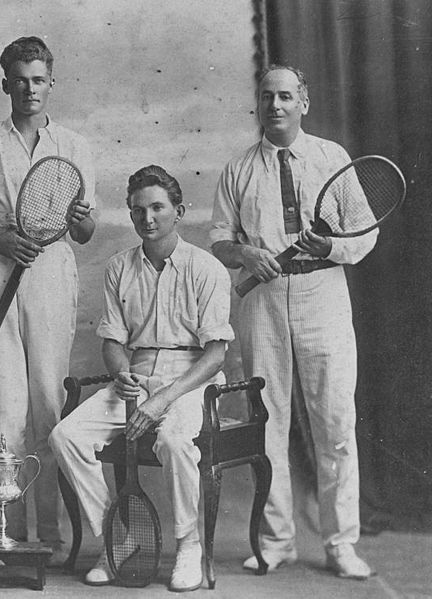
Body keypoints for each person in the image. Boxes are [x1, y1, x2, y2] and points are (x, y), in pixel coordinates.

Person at [209, 65, 375, 579]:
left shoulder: (333, 159)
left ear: (304, 102)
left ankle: (341, 543)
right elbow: (219, 240)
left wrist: (332, 245)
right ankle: (275, 541)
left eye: (285, 96)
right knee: (267, 423)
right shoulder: (238, 169)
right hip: (262, 301)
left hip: (323, 296)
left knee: (335, 423)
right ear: (257, 105)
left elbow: (365, 236)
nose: (275, 105)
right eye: (266, 97)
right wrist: (244, 253)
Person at [50, 165, 234, 592]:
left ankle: (189, 546)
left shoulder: (206, 268)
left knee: (172, 440)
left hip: (191, 382)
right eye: (138, 210)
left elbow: (216, 354)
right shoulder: (119, 267)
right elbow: (113, 341)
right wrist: (121, 375)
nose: (147, 219)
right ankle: (119, 540)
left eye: (157, 208)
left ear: (179, 211)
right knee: (65, 435)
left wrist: (162, 399)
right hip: (134, 376)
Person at [0, 35, 95, 557]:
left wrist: (81, 220)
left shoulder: (74, 146)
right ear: (5, 83)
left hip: (51, 275)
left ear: (50, 83)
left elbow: (85, 231)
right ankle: (6, 533)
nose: (30, 89)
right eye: (20, 80)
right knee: (5, 404)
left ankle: (50, 537)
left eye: (39, 79)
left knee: (49, 402)